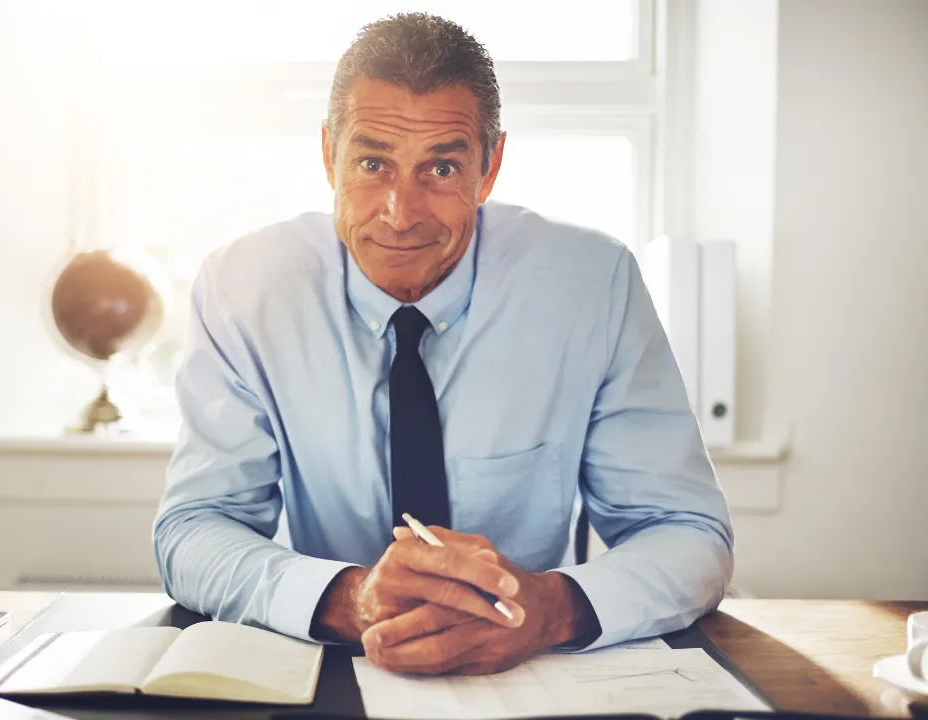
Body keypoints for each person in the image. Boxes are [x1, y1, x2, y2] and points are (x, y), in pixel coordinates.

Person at [153, 12, 733, 676]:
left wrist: (551, 607)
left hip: (532, 672)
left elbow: (689, 533)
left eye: (441, 167)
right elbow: (193, 529)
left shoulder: (593, 287)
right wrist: (351, 599)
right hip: (336, 668)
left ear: (489, 168)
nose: (400, 211)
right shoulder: (243, 289)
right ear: (327, 156)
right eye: (373, 163)